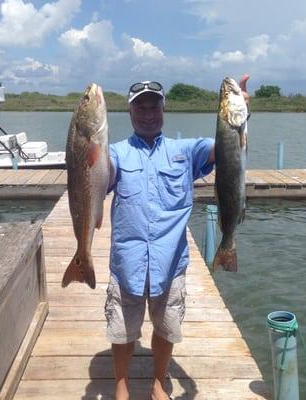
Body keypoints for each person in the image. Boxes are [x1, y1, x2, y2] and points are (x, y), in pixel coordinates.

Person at [106, 76, 249, 400]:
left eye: (153, 105)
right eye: (139, 106)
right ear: (129, 112)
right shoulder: (116, 153)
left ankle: (158, 382)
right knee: (122, 330)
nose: (147, 112)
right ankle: (121, 386)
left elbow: (222, 149)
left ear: (163, 109)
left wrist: (238, 118)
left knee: (166, 327)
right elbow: (102, 173)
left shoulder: (185, 151)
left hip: (170, 262)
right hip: (126, 262)